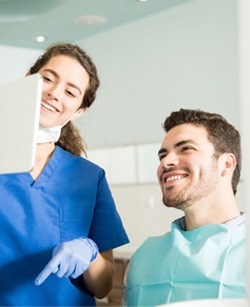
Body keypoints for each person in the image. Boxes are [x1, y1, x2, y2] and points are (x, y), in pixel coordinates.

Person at [0, 43, 129, 306]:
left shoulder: (89, 177)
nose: (53, 93)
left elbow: (103, 286)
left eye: (70, 92)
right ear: (28, 80)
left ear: (80, 110)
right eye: (47, 78)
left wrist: (90, 254)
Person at [125, 108, 246, 306]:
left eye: (186, 149)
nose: (166, 161)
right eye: (162, 155)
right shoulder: (145, 257)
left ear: (226, 165)